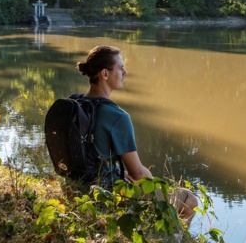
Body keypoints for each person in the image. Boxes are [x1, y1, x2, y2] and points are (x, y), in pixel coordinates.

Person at [76, 45, 198, 223]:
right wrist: (161, 190)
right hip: (107, 194)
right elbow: (137, 174)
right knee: (190, 200)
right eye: (120, 67)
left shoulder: (77, 103)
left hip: (81, 185)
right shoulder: (117, 117)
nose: (125, 72)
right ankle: (175, 236)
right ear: (105, 74)